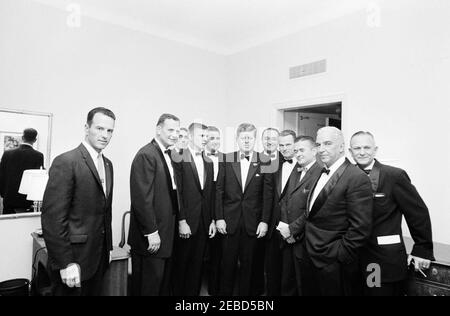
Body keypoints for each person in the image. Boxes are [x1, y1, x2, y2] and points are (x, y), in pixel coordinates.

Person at [349, 131, 435, 296]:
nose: (361, 152)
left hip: (381, 260)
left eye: (366, 147)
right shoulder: (344, 176)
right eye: (357, 148)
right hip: (351, 259)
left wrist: (422, 249)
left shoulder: (394, 175)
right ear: (350, 151)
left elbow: (418, 213)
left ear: (375, 150)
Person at [41, 107, 116, 296]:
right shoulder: (66, 161)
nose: (105, 135)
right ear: (86, 128)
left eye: (109, 131)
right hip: (73, 259)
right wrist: (65, 263)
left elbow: (105, 211)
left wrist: (108, 247)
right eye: (99, 128)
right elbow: (53, 219)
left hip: (98, 258)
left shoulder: (108, 165)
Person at [297, 126, 373, 296]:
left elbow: (361, 227)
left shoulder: (356, 177)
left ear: (341, 147)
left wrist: (339, 254)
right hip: (309, 256)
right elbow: (312, 213)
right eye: (319, 144)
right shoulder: (319, 171)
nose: (321, 149)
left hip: (334, 262)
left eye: (328, 143)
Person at [216, 123, 273, 296]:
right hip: (228, 221)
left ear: (255, 139)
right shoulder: (226, 159)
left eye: (250, 138)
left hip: (253, 222)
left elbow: (267, 194)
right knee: (227, 264)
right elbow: (219, 190)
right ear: (237, 139)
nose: (247, 141)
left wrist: (264, 221)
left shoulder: (265, 160)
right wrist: (219, 217)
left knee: (249, 266)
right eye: (243, 138)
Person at [128, 113, 180, 296]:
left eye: (177, 131)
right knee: (148, 287)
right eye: (170, 130)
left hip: (166, 232)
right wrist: (151, 232)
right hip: (151, 236)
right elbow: (142, 199)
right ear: (158, 129)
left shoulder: (169, 154)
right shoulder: (146, 154)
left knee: (161, 285)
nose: (174, 134)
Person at [172, 123, 216, 296]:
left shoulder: (209, 162)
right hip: (187, 222)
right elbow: (178, 193)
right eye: (201, 136)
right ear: (190, 137)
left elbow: (210, 194)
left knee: (197, 266)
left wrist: (212, 219)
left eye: (206, 136)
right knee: (181, 265)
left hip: (204, 221)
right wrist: (182, 220)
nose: (205, 139)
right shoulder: (178, 158)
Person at [277, 136, 323, 294]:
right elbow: (285, 200)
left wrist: (292, 230)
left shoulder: (321, 172)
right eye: (296, 150)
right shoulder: (297, 169)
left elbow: (313, 209)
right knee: (287, 280)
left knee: (305, 284)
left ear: (314, 150)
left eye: (302, 150)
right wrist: (284, 228)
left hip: (305, 238)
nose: (298, 154)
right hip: (287, 236)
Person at [265, 130, 301, 296]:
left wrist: (293, 228)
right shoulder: (273, 163)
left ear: (295, 144)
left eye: (288, 144)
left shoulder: (306, 165)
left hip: (293, 227)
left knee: (290, 273)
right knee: (272, 269)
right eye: (281, 145)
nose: (284, 148)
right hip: (273, 224)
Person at [0, 128, 44, 214]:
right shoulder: (38, 156)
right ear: (35, 140)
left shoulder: (7, 154)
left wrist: (3, 193)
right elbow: (37, 178)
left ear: (22, 137)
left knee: (7, 224)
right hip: (27, 199)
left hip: (9, 197)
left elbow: (1, 175)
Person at [205, 126, 224, 295]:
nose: (215, 142)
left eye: (218, 138)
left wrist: (217, 217)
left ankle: (214, 289)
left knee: (217, 253)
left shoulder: (226, 159)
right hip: (203, 210)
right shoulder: (197, 158)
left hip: (219, 211)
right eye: (212, 138)